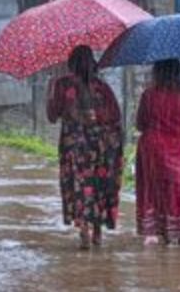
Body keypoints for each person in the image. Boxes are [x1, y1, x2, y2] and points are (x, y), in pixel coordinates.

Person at [46, 45, 124, 249]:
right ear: (93, 64)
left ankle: (84, 232)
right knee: (98, 185)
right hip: (98, 147)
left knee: (79, 185)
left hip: (73, 147)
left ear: (71, 63)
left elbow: (52, 117)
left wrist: (50, 92)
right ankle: (97, 231)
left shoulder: (63, 86)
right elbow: (115, 119)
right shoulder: (102, 88)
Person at [134, 59, 180, 246]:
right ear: (179, 71)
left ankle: (158, 230)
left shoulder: (148, 95)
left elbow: (140, 124)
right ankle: (179, 232)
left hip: (152, 149)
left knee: (154, 190)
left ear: (157, 71)